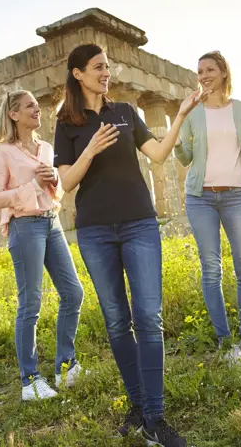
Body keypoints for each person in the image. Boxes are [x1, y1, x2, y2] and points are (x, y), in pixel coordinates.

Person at [54, 43, 201, 447]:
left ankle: (154, 416)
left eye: (108, 66)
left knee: (148, 319)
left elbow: (157, 154)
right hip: (95, 229)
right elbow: (65, 183)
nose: (107, 72)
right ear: (78, 73)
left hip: (139, 223)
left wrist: (182, 115)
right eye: (99, 67)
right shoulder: (66, 122)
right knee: (117, 320)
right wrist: (89, 149)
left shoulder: (125, 113)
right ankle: (139, 408)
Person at [174, 51, 241, 365]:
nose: (203, 75)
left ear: (223, 73)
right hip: (200, 198)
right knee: (212, 270)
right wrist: (178, 134)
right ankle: (227, 344)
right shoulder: (193, 112)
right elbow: (186, 156)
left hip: (235, 197)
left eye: (209, 69)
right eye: (199, 71)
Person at [0, 89, 85, 402]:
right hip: (24, 226)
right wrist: (31, 185)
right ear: (14, 114)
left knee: (74, 292)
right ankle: (30, 381)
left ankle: (65, 367)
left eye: (37, 105)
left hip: (51, 222)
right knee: (30, 304)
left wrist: (53, 177)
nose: (37, 109)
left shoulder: (45, 147)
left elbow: (53, 191)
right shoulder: (3, 152)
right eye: (30, 106)